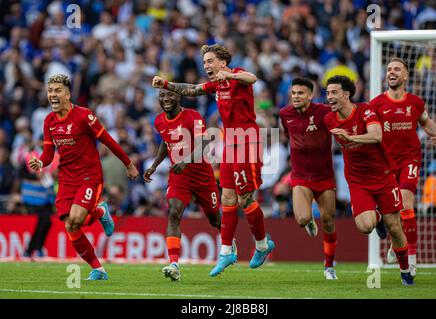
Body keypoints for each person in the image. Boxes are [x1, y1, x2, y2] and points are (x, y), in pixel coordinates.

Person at [152, 44, 275, 276]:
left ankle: (262, 245)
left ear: (222, 62)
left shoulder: (237, 75)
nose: (206, 65)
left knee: (245, 199)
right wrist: (166, 84)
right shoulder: (215, 85)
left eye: (210, 61)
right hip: (229, 143)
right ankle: (227, 252)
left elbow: (253, 78)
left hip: (247, 142)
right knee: (227, 197)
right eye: (205, 62)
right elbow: (191, 89)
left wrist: (229, 74)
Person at [28, 74, 139, 280]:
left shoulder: (84, 116)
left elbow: (108, 140)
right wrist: (40, 162)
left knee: (78, 217)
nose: (52, 94)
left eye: (57, 90)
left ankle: (98, 212)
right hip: (66, 179)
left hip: (89, 175)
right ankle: (98, 268)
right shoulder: (49, 121)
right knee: (71, 225)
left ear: (68, 94)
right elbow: (48, 154)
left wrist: (129, 164)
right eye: (50, 90)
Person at [324, 75, 414, 286]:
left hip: (383, 176)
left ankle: (405, 270)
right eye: (328, 93)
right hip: (357, 181)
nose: (330, 97)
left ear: (346, 94)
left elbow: (376, 135)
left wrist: (350, 138)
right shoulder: (329, 119)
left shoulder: (365, 110)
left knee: (395, 227)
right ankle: (378, 218)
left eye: (334, 92)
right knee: (365, 226)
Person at [371, 57, 436, 276]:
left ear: (405, 76)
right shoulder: (376, 104)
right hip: (385, 163)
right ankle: (395, 242)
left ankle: (411, 259)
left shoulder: (415, 102)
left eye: (397, 69)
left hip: (409, 159)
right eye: (389, 69)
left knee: (406, 205)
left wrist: (435, 133)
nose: (391, 72)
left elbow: (424, 121)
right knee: (391, 211)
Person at [143, 89, 222, 281]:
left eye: (170, 95)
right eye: (162, 96)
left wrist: (185, 160)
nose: (166, 99)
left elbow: (204, 142)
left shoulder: (192, 116)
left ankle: (229, 243)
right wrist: (154, 165)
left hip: (202, 175)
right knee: (174, 211)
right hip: (179, 176)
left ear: (178, 97)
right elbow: (165, 142)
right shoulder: (159, 121)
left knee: (215, 220)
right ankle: (174, 263)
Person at [279, 77, 338, 280]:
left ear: (310, 95)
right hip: (301, 176)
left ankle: (329, 266)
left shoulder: (324, 112)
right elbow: (288, 135)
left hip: (324, 176)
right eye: (293, 93)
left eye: (300, 93)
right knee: (302, 219)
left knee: (329, 221)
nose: (295, 97)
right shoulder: (284, 114)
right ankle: (309, 220)